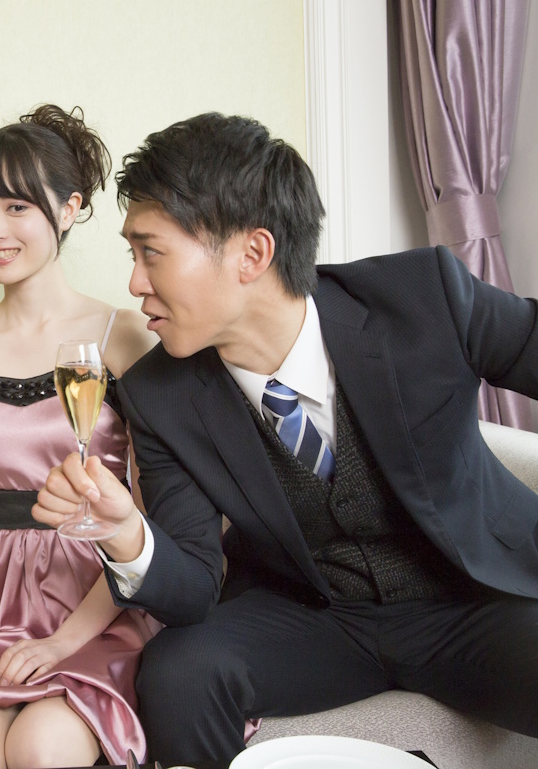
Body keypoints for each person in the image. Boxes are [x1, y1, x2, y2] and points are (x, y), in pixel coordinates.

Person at [36, 111, 538, 764]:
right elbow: (190, 587)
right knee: (180, 670)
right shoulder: (159, 394)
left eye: (150, 252)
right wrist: (124, 532)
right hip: (318, 617)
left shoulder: (421, 296)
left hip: (471, 601)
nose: (134, 284)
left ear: (253, 253)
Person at [0, 104, 160, 769]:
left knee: (43, 747)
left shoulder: (122, 338)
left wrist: (63, 641)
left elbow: (159, 519)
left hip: (98, 590)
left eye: (16, 208)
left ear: (68, 210)